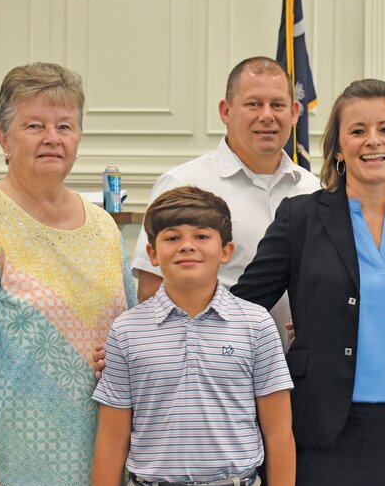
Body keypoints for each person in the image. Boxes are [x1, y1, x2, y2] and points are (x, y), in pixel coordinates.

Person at [231, 79, 385, 486]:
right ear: (339, 148)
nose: (372, 141)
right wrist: (151, 338)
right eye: (357, 131)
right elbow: (241, 306)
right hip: (321, 433)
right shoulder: (300, 218)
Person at [0, 63, 136, 486]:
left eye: (65, 125)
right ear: (3, 138)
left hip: (101, 463)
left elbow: (134, 330)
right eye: (34, 125)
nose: (52, 138)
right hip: (1, 469)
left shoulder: (103, 227)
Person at [92, 186, 295, 486]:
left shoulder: (256, 325)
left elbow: (279, 433)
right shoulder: (127, 331)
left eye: (201, 236)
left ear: (226, 251)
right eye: (172, 238)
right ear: (152, 254)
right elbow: (111, 440)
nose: (187, 246)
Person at [130, 56, 320, 346]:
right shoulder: (183, 185)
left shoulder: (313, 189)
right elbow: (150, 293)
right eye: (253, 104)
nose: (266, 116)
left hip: (296, 374)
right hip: (212, 375)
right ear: (226, 111)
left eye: (277, 105)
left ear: (295, 112)